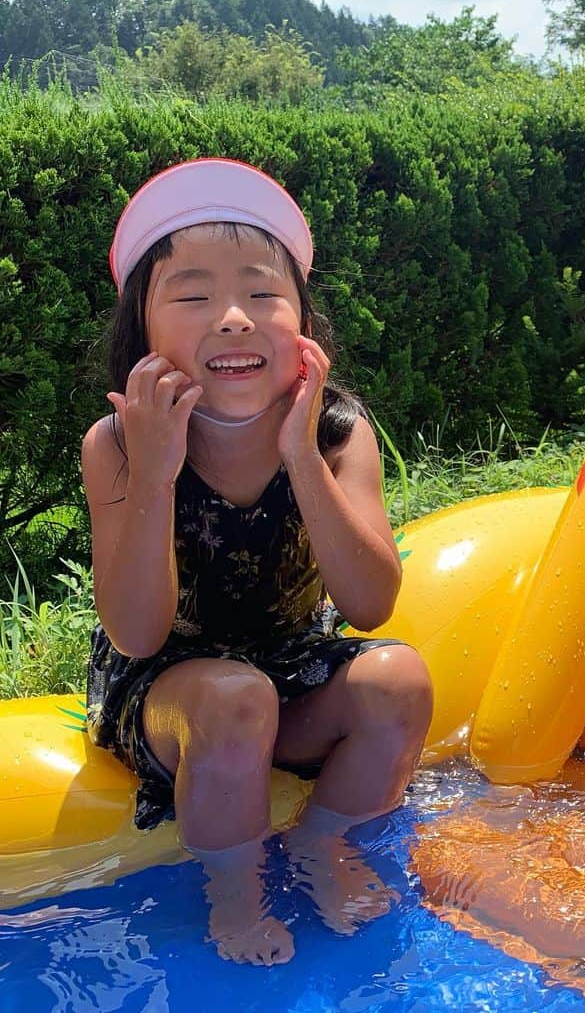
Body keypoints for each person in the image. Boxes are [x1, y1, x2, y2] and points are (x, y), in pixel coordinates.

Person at [83, 158, 434, 965]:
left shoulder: (341, 434)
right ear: (144, 331)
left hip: (292, 660)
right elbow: (136, 631)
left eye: (262, 292)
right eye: (195, 295)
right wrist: (158, 473)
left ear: (303, 321)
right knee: (236, 699)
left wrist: (302, 458)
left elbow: (371, 603)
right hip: (171, 686)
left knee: (399, 679)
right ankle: (234, 891)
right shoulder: (117, 446)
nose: (234, 318)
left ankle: (320, 846)